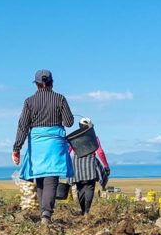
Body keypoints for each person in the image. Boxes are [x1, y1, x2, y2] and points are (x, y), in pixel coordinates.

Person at [13, 69, 74, 225]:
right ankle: (46, 214)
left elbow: (22, 126)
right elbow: (69, 122)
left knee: (39, 179)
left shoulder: (29, 101)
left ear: (37, 85)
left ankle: (44, 213)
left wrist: (17, 148)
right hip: (55, 144)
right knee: (51, 178)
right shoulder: (60, 99)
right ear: (52, 83)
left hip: (37, 145)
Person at [68, 118, 111, 216]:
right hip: (90, 162)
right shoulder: (94, 137)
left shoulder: (74, 137)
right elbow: (100, 151)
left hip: (76, 163)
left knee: (80, 187)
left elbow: (68, 151)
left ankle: (83, 211)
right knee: (89, 187)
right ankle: (86, 211)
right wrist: (106, 165)